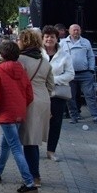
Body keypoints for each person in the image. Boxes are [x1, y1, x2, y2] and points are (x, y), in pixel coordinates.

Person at [0, 40, 38, 193]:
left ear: (1, 54)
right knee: (7, 143)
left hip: (5, 113)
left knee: (15, 147)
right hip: (19, 112)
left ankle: (29, 182)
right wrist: (22, 106)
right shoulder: (21, 69)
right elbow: (29, 93)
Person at [17, 29, 54, 187]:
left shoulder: (19, 59)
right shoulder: (44, 61)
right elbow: (51, 85)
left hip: (27, 101)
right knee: (33, 139)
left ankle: (34, 175)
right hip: (43, 100)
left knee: (29, 141)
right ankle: (32, 173)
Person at [42, 25, 74, 162]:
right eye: (47, 36)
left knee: (55, 123)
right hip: (39, 93)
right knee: (37, 122)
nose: (49, 39)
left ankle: (51, 151)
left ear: (57, 38)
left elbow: (70, 74)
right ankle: (32, 150)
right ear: (42, 38)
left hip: (57, 93)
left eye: (52, 37)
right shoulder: (37, 53)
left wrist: (53, 80)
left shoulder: (65, 55)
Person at [61, 24, 97, 124]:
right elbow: (59, 57)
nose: (76, 32)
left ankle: (96, 117)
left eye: (78, 30)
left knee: (90, 95)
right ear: (69, 31)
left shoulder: (86, 42)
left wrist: (91, 70)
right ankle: (74, 117)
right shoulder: (62, 43)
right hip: (69, 74)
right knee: (70, 97)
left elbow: (91, 56)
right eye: (74, 30)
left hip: (85, 73)